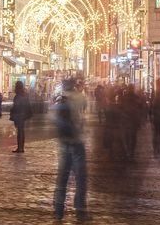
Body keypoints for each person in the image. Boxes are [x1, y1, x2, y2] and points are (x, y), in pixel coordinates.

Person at [52, 76, 88, 222]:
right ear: (74, 85)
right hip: (77, 141)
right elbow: (84, 114)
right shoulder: (80, 97)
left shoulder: (58, 99)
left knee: (62, 177)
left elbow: (53, 119)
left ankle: (58, 210)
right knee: (80, 178)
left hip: (63, 142)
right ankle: (80, 209)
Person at [11, 80, 33, 154]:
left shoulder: (18, 96)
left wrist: (12, 112)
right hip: (23, 115)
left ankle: (20, 148)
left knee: (19, 132)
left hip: (18, 115)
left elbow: (16, 106)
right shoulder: (24, 94)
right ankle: (21, 147)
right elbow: (28, 105)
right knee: (21, 131)